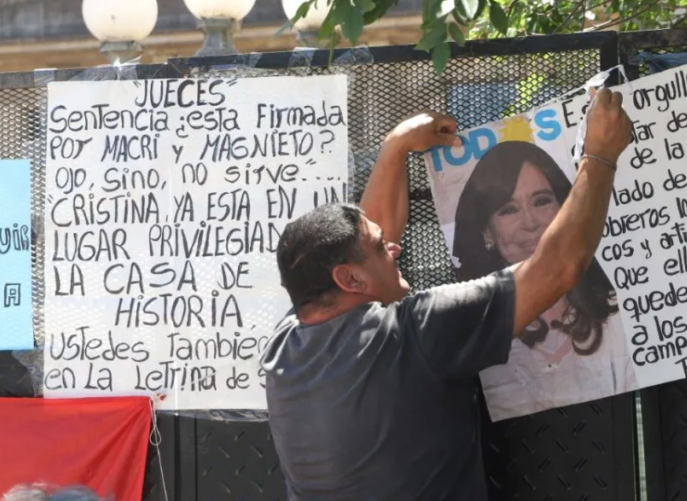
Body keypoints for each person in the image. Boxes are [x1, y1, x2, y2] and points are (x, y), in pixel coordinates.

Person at [262, 89, 633, 501]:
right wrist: (600, 155)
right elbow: (558, 267)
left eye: (542, 201)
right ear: (349, 279)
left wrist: (397, 146)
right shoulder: (414, 333)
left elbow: (370, 237)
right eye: (381, 247)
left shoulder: (285, 344)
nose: (395, 247)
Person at [452, 141, 637, 419]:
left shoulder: (622, 315)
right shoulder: (469, 334)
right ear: (486, 233)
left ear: (566, 209)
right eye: (508, 209)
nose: (530, 222)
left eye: (541, 201)